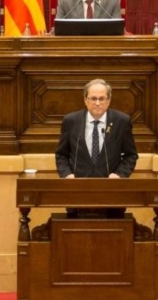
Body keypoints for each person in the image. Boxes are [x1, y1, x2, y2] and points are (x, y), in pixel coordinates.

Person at [55, 79, 138, 218]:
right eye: (93, 98)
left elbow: (131, 155)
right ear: (85, 100)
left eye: (101, 98)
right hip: (78, 193)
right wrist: (67, 175)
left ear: (109, 100)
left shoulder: (121, 121)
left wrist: (119, 175)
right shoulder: (71, 121)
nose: (97, 103)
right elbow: (61, 155)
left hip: (111, 194)